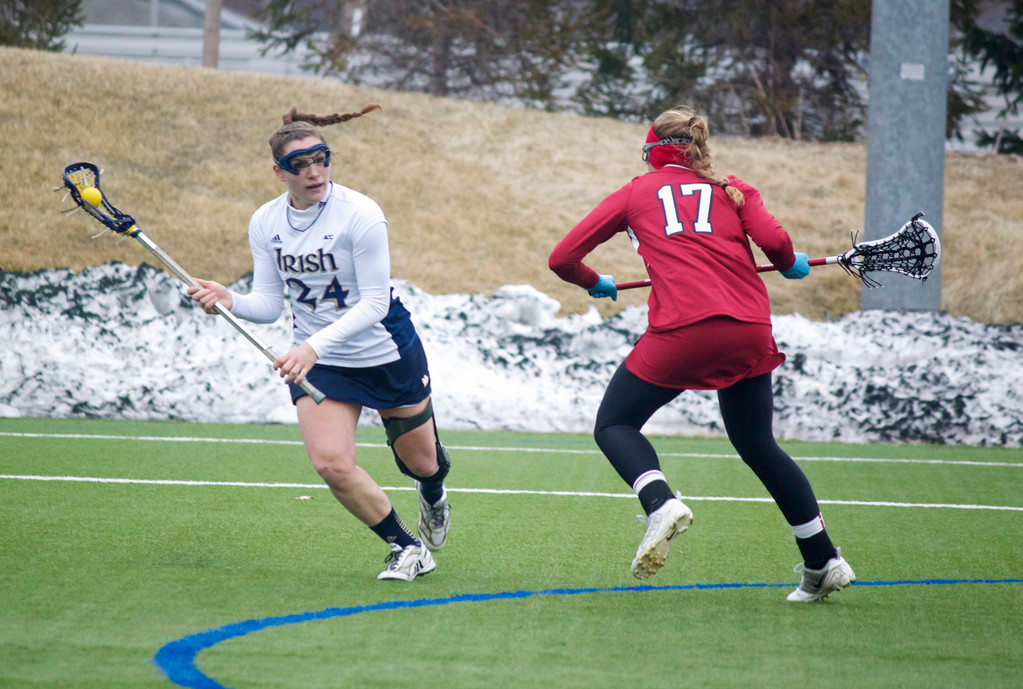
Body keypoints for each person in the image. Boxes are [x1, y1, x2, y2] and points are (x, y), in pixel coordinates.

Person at [548, 105, 854, 602]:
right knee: (758, 444)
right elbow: (775, 242)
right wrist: (788, 263)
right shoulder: (733, 188)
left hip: (683, 331)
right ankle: (822, 559)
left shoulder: (635, 191)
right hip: (750, 330)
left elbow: (562, 258)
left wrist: (595, 282)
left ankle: (659, 502)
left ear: (652, 152)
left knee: (614, 424)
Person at [188, 105, 451, 582]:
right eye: (299, 164)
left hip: (385, 351)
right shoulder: (266, 222)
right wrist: (230, 299)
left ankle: (432, 492)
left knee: (423, 463)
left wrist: (312, 347)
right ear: (278, 171)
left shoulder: (361, 214)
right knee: (330, 463)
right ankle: (406, 548)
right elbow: (268, 303)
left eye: (321, 158)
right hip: (323, 362)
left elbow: (374, 303)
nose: (313, 171)